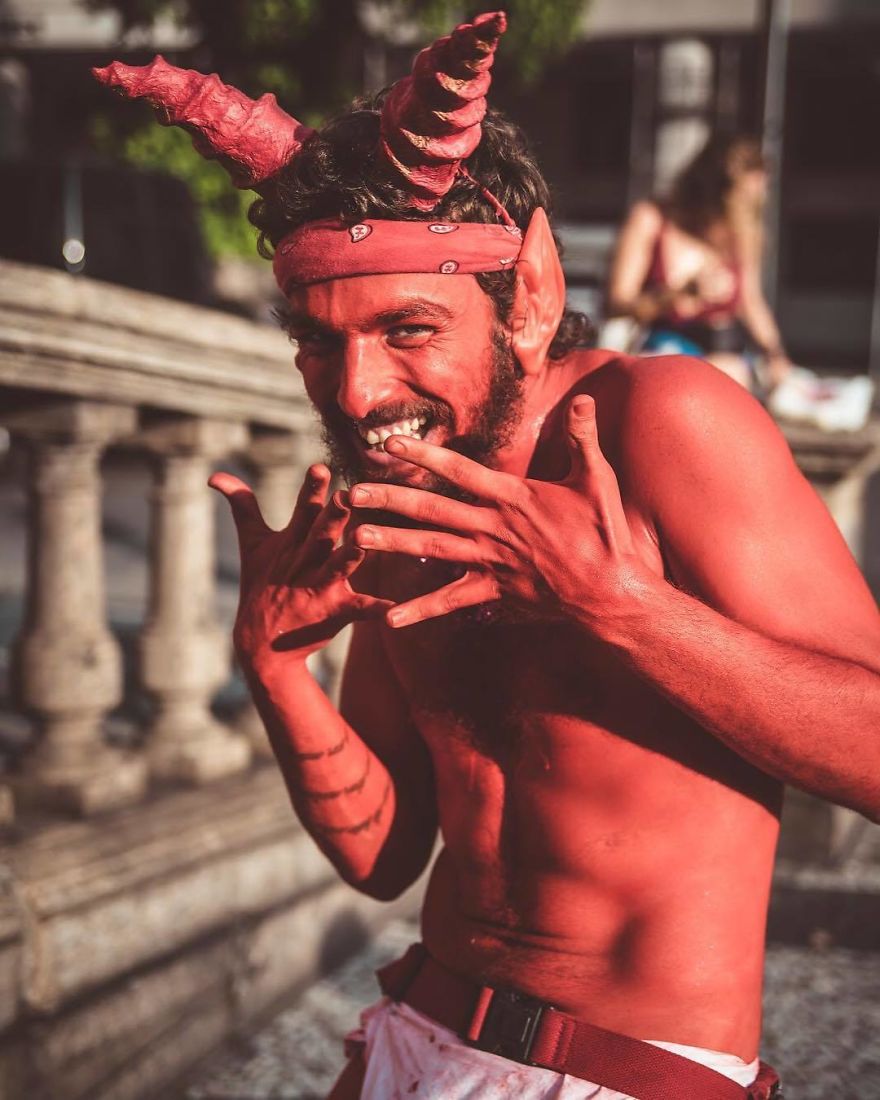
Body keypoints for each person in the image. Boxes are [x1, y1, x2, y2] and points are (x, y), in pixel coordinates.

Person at [95, 14, 880, 1099]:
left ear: (533, 294)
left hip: (630, 1072)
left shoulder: (662, 423)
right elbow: (383, 853)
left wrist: (619, 605)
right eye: (318, 339)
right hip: (411, 1039)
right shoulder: (404, 484)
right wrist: (275, 671)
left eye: (406, 330)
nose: (357, 392)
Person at [605, 134, 792, 392]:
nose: (749, 215)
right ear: (712, 195)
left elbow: (751, 301)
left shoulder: (742, 234)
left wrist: (776, 356)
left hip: (725, 353)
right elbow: (617, 303)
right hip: (661, 348)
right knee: (676, 375)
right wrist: (679, 295)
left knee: (732, 373)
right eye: (743, 205)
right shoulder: (652, 219)